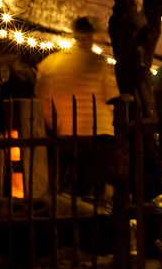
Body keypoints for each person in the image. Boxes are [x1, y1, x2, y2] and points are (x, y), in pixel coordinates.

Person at [36, 18, 119, 202]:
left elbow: (43, 102)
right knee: (95, 191)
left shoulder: (50, 63)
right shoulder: (100, 64)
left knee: (71, 190)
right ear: (90, 36)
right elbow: (112, 98)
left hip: (68, 134)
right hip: (100, 134)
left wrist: (57, 125)